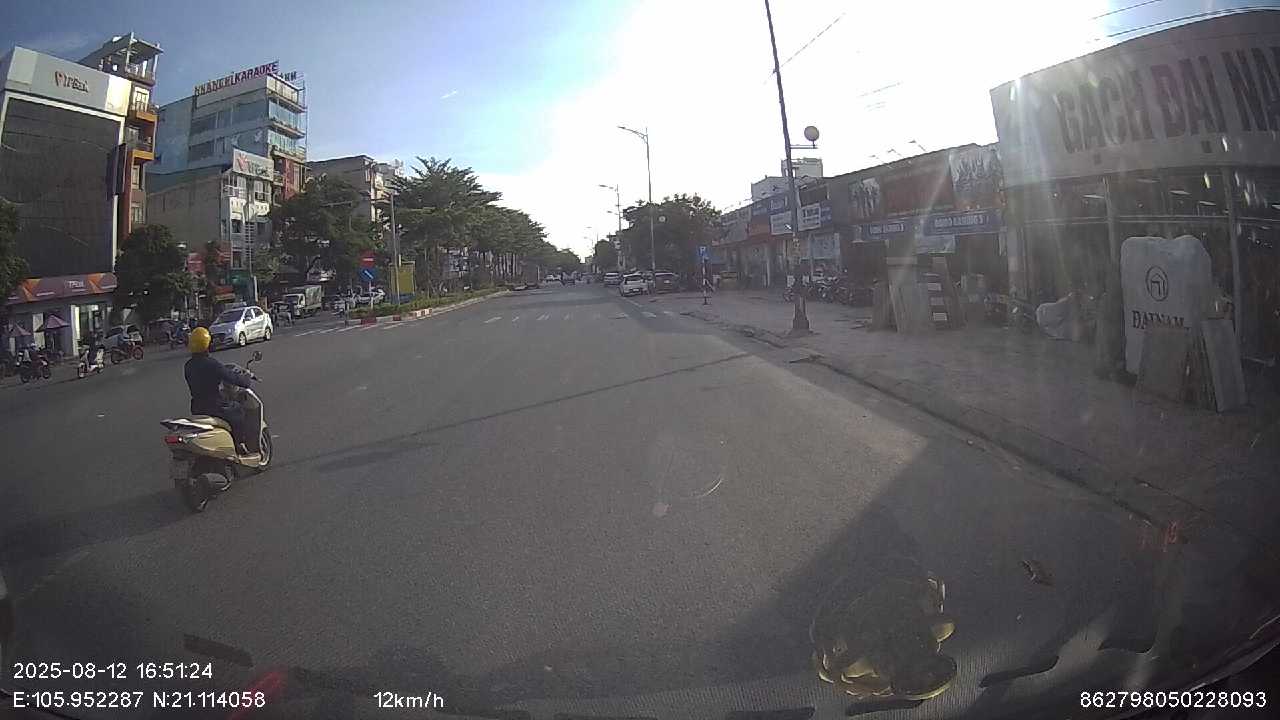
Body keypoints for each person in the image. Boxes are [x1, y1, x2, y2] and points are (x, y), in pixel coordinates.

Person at [183, 327, 254, 453]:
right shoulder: (211, 364)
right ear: (207, 344)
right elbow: (231, 377)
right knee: (239, 411)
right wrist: (246, 379)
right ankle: (239, 443)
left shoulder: (188, 365)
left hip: (197, 407)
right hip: (215, 406)